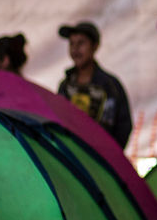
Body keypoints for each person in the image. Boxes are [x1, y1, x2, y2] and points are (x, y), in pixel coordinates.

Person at [56, 21, 133, 149]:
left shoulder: (110, 86)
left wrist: (110, 155)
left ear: (95, 46)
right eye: (71, 43)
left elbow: (123, 126)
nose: (75, 49)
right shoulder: (65, 86)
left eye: (81, 43)